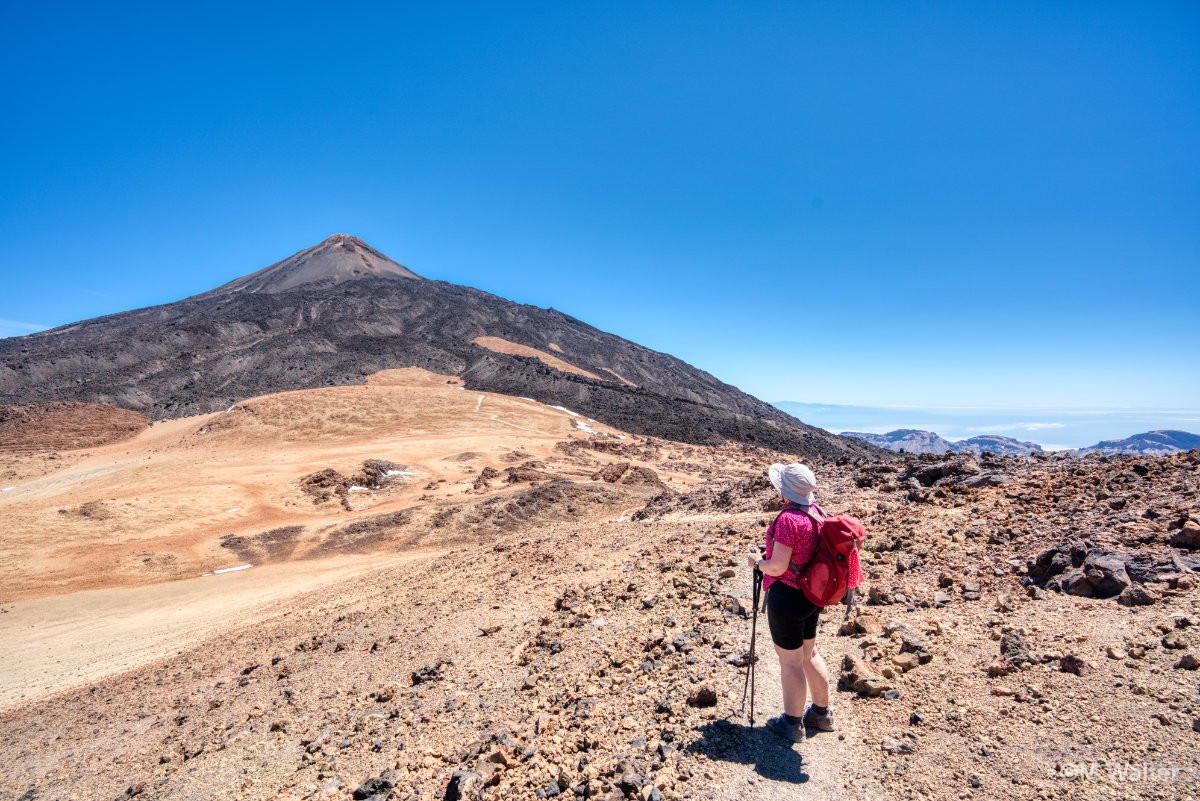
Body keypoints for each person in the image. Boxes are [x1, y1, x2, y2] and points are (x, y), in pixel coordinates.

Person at [745, 462, 838, 743]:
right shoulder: (816, 512)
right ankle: (822, 715)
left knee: (790, 663)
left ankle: (791, 723)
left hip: (788, 597)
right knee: (809, 653)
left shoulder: (788, 520)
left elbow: (777, 567)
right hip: (812, 595)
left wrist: (758, 562)